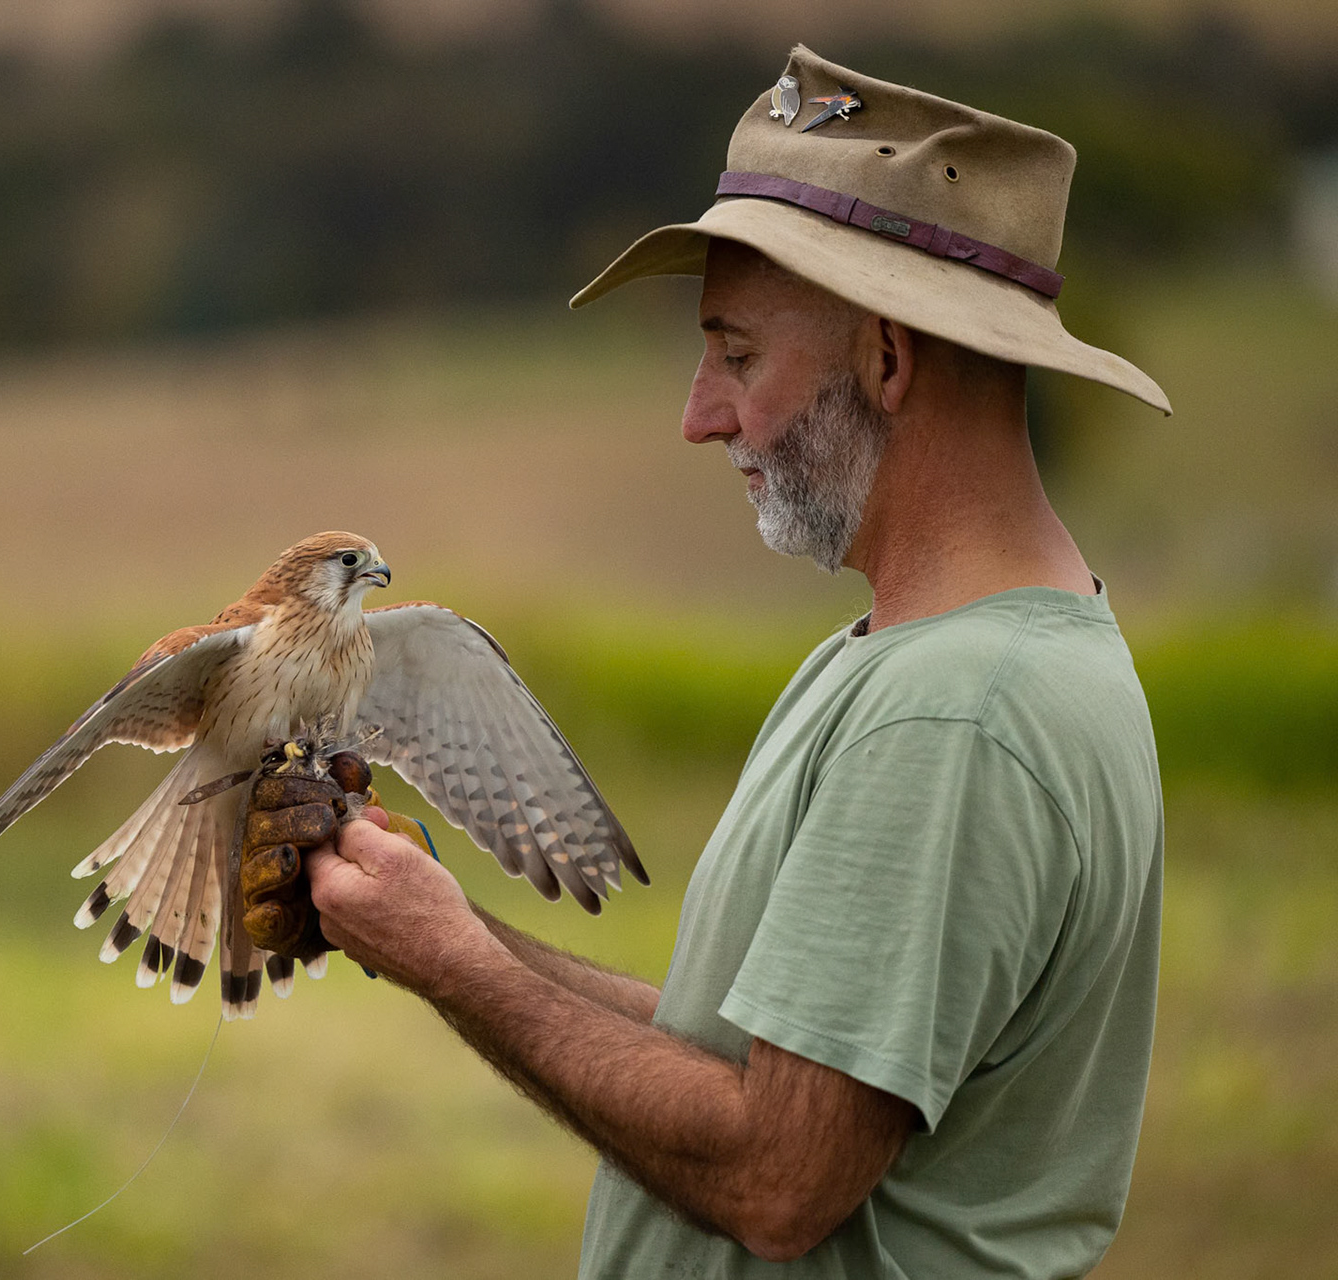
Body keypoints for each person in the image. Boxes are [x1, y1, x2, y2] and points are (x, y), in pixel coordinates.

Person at [304, 46, 1167, 1278]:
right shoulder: (917, 658)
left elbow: (777, 1175)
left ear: (886, 357)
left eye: (740, 353)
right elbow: (751, 1064)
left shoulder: (954, 716)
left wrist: (449, 962)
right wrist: (439, 930)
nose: (700, 413)